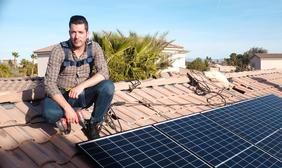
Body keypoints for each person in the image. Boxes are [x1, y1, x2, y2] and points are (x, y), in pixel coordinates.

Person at [43, 15, 114, 139]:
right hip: (62, 95)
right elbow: (49, 83)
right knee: (49, 114)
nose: (76, 36)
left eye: (80, 32)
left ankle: (93, 124)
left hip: (83, 95)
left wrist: (81, 86)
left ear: (87, 33)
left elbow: (104, 73)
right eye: (73, 32)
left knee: (108, 86)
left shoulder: (94, 47)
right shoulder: (59, 50)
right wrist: (67, 108)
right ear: (69, 32)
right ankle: (66, 115)